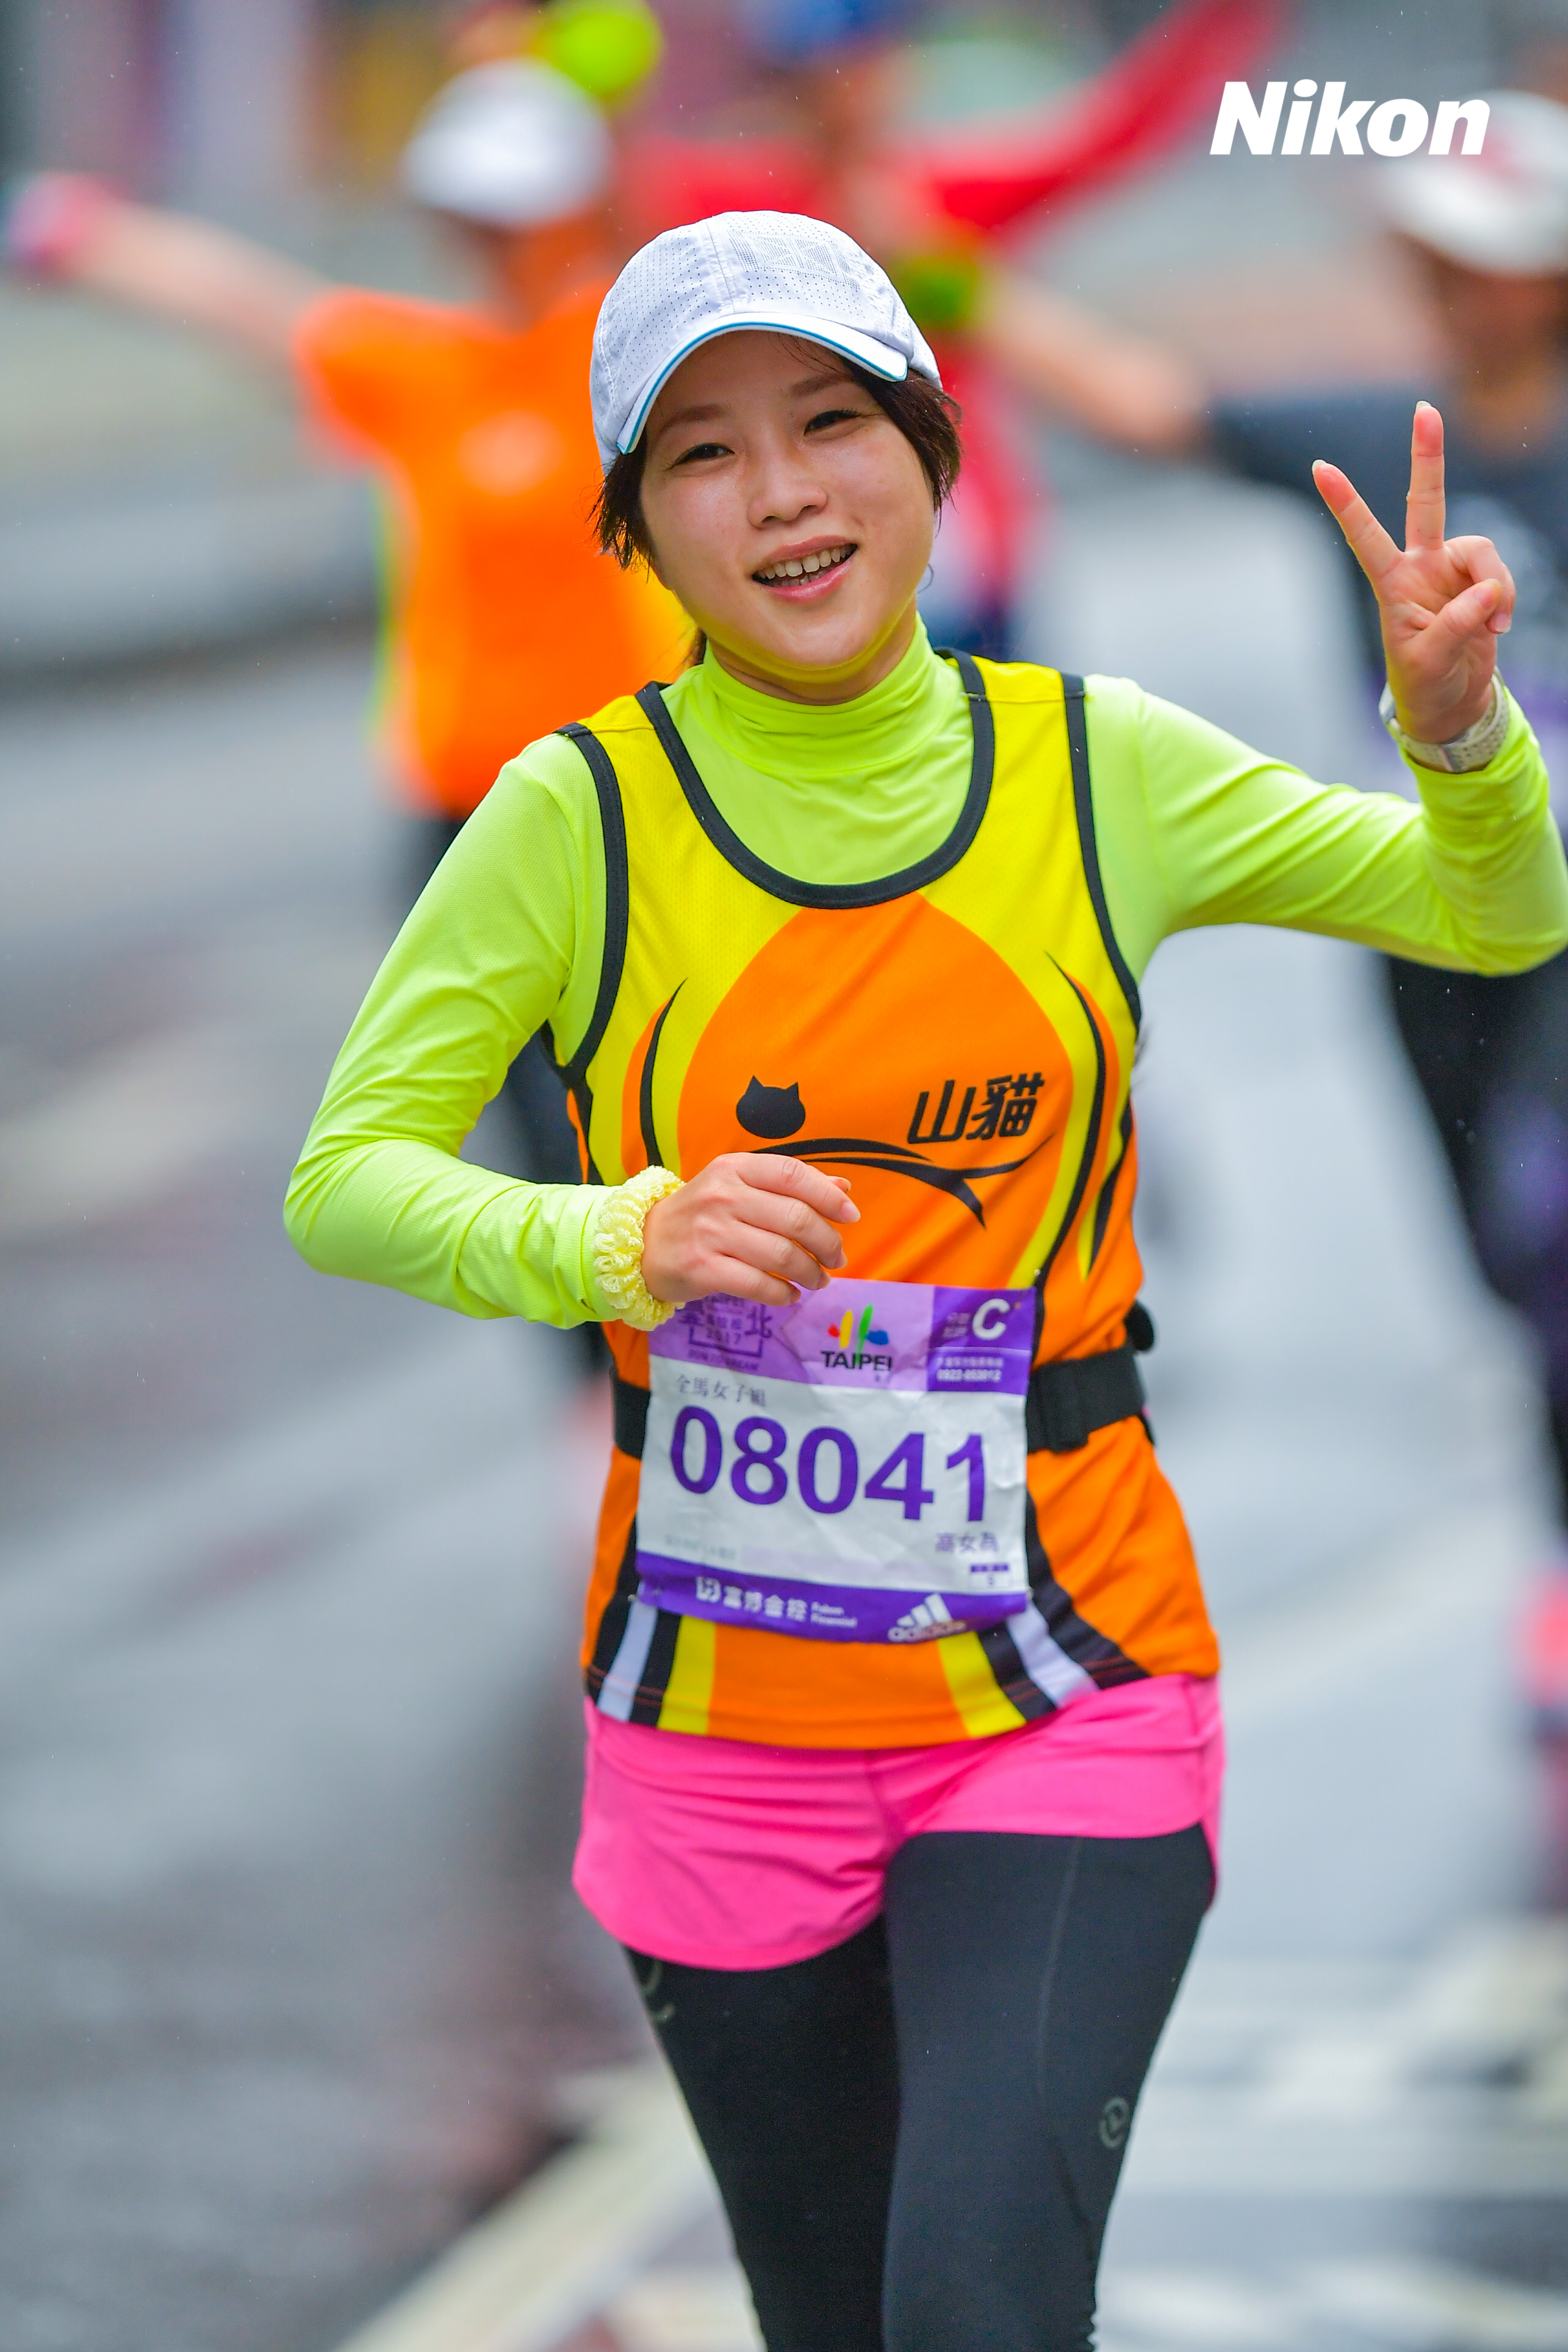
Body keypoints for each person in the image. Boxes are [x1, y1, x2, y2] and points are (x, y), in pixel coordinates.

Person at [284, 212, 1562, 2348]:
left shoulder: (1093, 763)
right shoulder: (575, 815)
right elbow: (348, 1181)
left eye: (830, 423)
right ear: (638, 524)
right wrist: (614, 1234)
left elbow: (1493, 914)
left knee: (979, 2299)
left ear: (929, 449)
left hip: (1065, 1676)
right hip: (717, 1722)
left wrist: (1460, 740)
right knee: (833, 2317)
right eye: (703, 452)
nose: (782, 492)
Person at [1032, 89, 1568, 1781]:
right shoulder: (1380, 442)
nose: (1456, 285)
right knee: (1501, 1254)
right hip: (1430, 923)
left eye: (1489, 257)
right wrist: (932, 277)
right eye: (1435, 255)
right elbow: (1144, 404)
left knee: (1555, 1222)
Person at [5, 57, 685, 1221]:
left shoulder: (633, 361)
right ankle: (595, 1329)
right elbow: (256, 308)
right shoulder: (428, 369)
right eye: (471, 216)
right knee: (526, 1127)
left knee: (637, 1104)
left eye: (515, 214)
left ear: (577, 209)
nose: (491, 242)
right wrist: (77, 232)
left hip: (623, 796)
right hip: (464, 807)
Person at [627, 0, 1278, 656]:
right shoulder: (749, 211)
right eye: (825, 72)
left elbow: (1116, 135)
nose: (855, 88)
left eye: (867, 63)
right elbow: (624, 194)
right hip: (824, 547)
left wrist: (1229, 17)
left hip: (971, 552)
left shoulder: (931, 197)